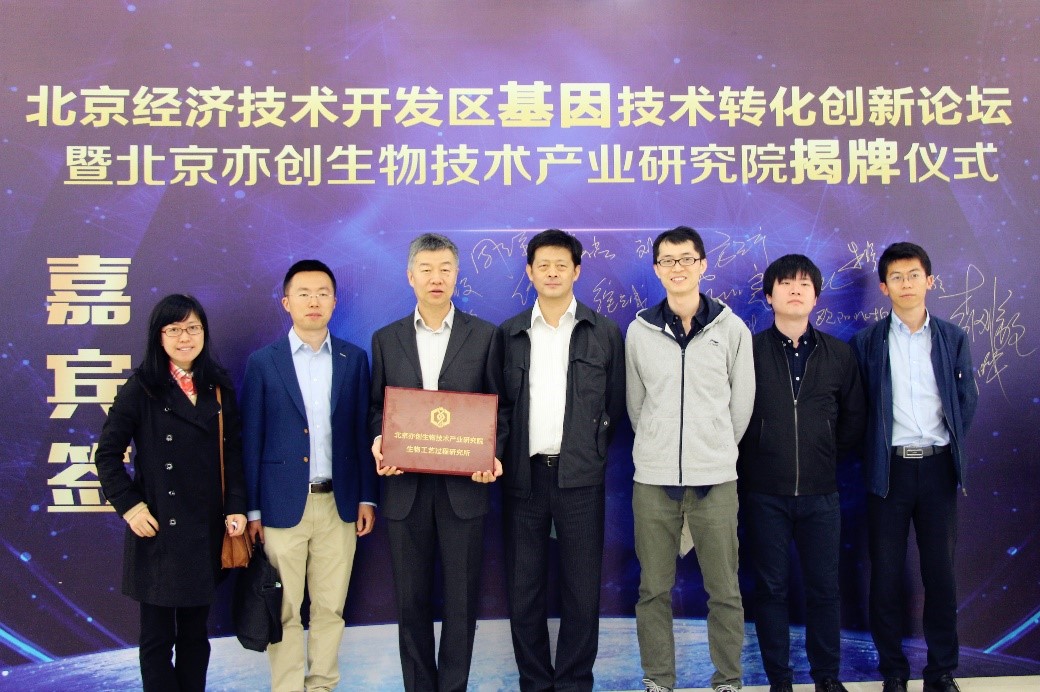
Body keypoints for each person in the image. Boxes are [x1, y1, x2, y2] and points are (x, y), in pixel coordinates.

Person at [369, 232, 504, 692]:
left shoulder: (484, 335)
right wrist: (379, 441)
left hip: (464, 488)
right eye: (426, 269)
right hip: (404, 487)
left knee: (462, 603)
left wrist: (492, 453)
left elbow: (500, 408)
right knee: (410, 603)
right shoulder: (386, 339)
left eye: (445, 269)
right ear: (410, 276)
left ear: (457, 274)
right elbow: (376, 408)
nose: (436, 277)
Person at [95, 294, 247, 692]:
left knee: (195, 635)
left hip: (205, 527)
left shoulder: (217, 386)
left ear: (204, 333)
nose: (185, 337)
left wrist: (236, 506)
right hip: (159, 529)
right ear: (158, 336)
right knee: (157, 637)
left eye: (193, 328)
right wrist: (130, 507)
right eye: (174, 329)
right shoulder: (141, 387)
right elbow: (107, 454)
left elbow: (233, 452)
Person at [626, 226, 755, 692]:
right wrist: (660, 446)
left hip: (715, 479)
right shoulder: (639, 331)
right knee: (653, 590)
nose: (677, 268)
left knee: (724, 590)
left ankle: (728, 681)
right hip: (654, 480)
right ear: (657, 269)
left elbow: (741, 405)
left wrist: (712, 450)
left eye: (686, 259)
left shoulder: (731, 329)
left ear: (702, 264)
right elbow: (637, 406)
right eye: (668, 260)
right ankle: (659, 680)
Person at [498, 229, 625, 691]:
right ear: (529, 272)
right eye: (543, 265)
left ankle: (573, 683)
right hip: (523, 478)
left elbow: (615, 405)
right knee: (524, 591)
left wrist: (590, 452)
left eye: (561, 265)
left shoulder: (603, 332)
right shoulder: (509, 334)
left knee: (581, 590)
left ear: (577, 271)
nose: (552, 273)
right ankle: (534, 682)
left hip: (580, 479)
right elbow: (499, 408)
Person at [240, 259, 377, 692]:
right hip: (281, 506)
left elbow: (363, 433)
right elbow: (251, 440)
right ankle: (286, 687)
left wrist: (367, 497)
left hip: (339, 504)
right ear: (286, 302)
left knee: (330, 607)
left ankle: (321, 685)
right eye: (304, 293)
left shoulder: (354, 359)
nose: (313, 301)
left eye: (322, 293)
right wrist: (253, 510)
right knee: (284, 608)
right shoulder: (264, 362)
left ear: (335, 302)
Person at [851, 242, 977, 692]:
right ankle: (893, 672)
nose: (906, 284)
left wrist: (949, 442)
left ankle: (941, 672)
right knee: (885, 575)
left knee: (940, 574)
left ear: (930, 281)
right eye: (896, 277)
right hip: (889, 471)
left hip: (938, 469)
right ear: (884, 287)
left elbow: (966, 400)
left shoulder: (952, 337)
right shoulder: (867, 343)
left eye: (914, 275)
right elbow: (858, 409)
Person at [737, 255, 866, 692]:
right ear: (768, 295)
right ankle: (779, 680)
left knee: (825, 590)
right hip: (764, 494)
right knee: (770, 590)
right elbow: (731, 416)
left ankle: (827, 677)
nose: (795, 290)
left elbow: (853, 419)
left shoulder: (839, 354)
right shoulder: (747, 351)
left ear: (816, 297)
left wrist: (823, 452)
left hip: (820, 494)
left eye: (805, 284)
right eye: (786, 283)